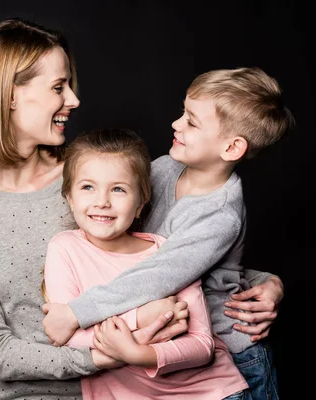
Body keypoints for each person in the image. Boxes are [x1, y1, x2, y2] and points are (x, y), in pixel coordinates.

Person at [0, 18, 190, 400]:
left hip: (141, 386)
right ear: (10, 95)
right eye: (59, 87)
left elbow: (174, 253)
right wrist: (99, 357)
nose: (74, 100)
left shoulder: (95, 181)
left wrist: (260, 283)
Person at [42, 67, 295, 400]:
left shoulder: (219, 215)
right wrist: (264, 279)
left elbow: (161, 273)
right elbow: (140, 247)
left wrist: (76, 312)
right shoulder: (163, 168)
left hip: (231, 351)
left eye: (191, 121)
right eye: (182, 113)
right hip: (163, 342)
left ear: (231, 148)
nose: (176, 124)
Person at [42, 127, 249, 399]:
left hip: (211, 391)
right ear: (69, 197)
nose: (102, 202)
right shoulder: (65, 248)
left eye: (118, 189)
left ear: (140, 204)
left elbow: (202, 345)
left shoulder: (164, 251)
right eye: (88, 187)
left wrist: (138, 353)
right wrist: (140, 321)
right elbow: (66, 334)